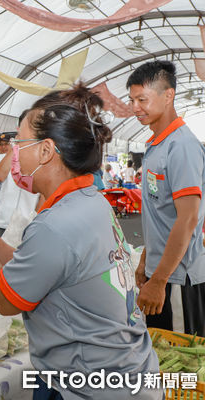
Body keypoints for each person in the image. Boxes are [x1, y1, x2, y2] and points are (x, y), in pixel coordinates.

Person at [0, 84, 161, 399]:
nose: (13, 153)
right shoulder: (89, 200)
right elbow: (26, 263)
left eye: (20, 143)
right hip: (127, 372)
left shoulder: (56, 225)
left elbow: (5, 301)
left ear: (46, 151)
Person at [128, 60, 205, 336]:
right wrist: (146, 261)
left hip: (176, 280)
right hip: (160, 273)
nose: (135, 107)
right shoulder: (155, 145)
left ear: (168, 95)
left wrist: (159, 280)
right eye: (132, 100)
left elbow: (187, 219)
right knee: (158, 360)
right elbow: (161, 215)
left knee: (179, 363)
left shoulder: (181, 146)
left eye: (142, 99)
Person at [0, 111, 42, 237]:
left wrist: (36, 220)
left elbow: (43, 194)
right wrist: (17, 145)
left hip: (27, 224)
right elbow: (0, 176)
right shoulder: (4, 156)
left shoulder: (43, 155)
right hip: (4, 221)